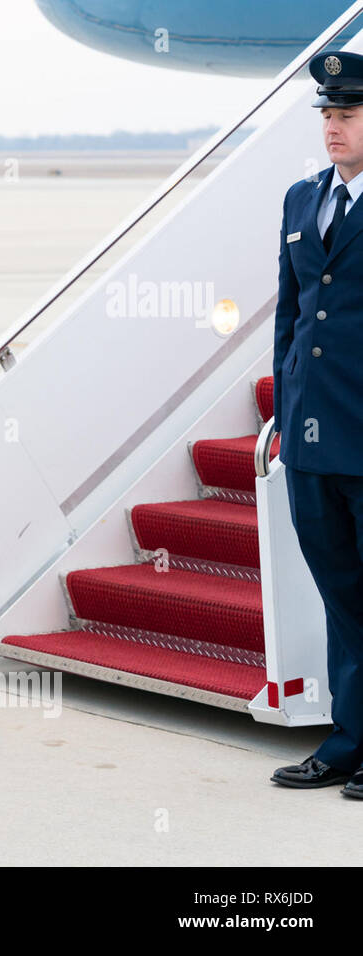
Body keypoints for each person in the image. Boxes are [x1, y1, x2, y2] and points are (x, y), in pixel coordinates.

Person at [270, 51, 363, 797]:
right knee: (340, 589)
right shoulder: (302, 201)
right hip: (311, 433)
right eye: (327, 115)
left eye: (347, 114)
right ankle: (348, 740)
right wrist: (282, 408)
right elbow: (293, 314)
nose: (333, 127)